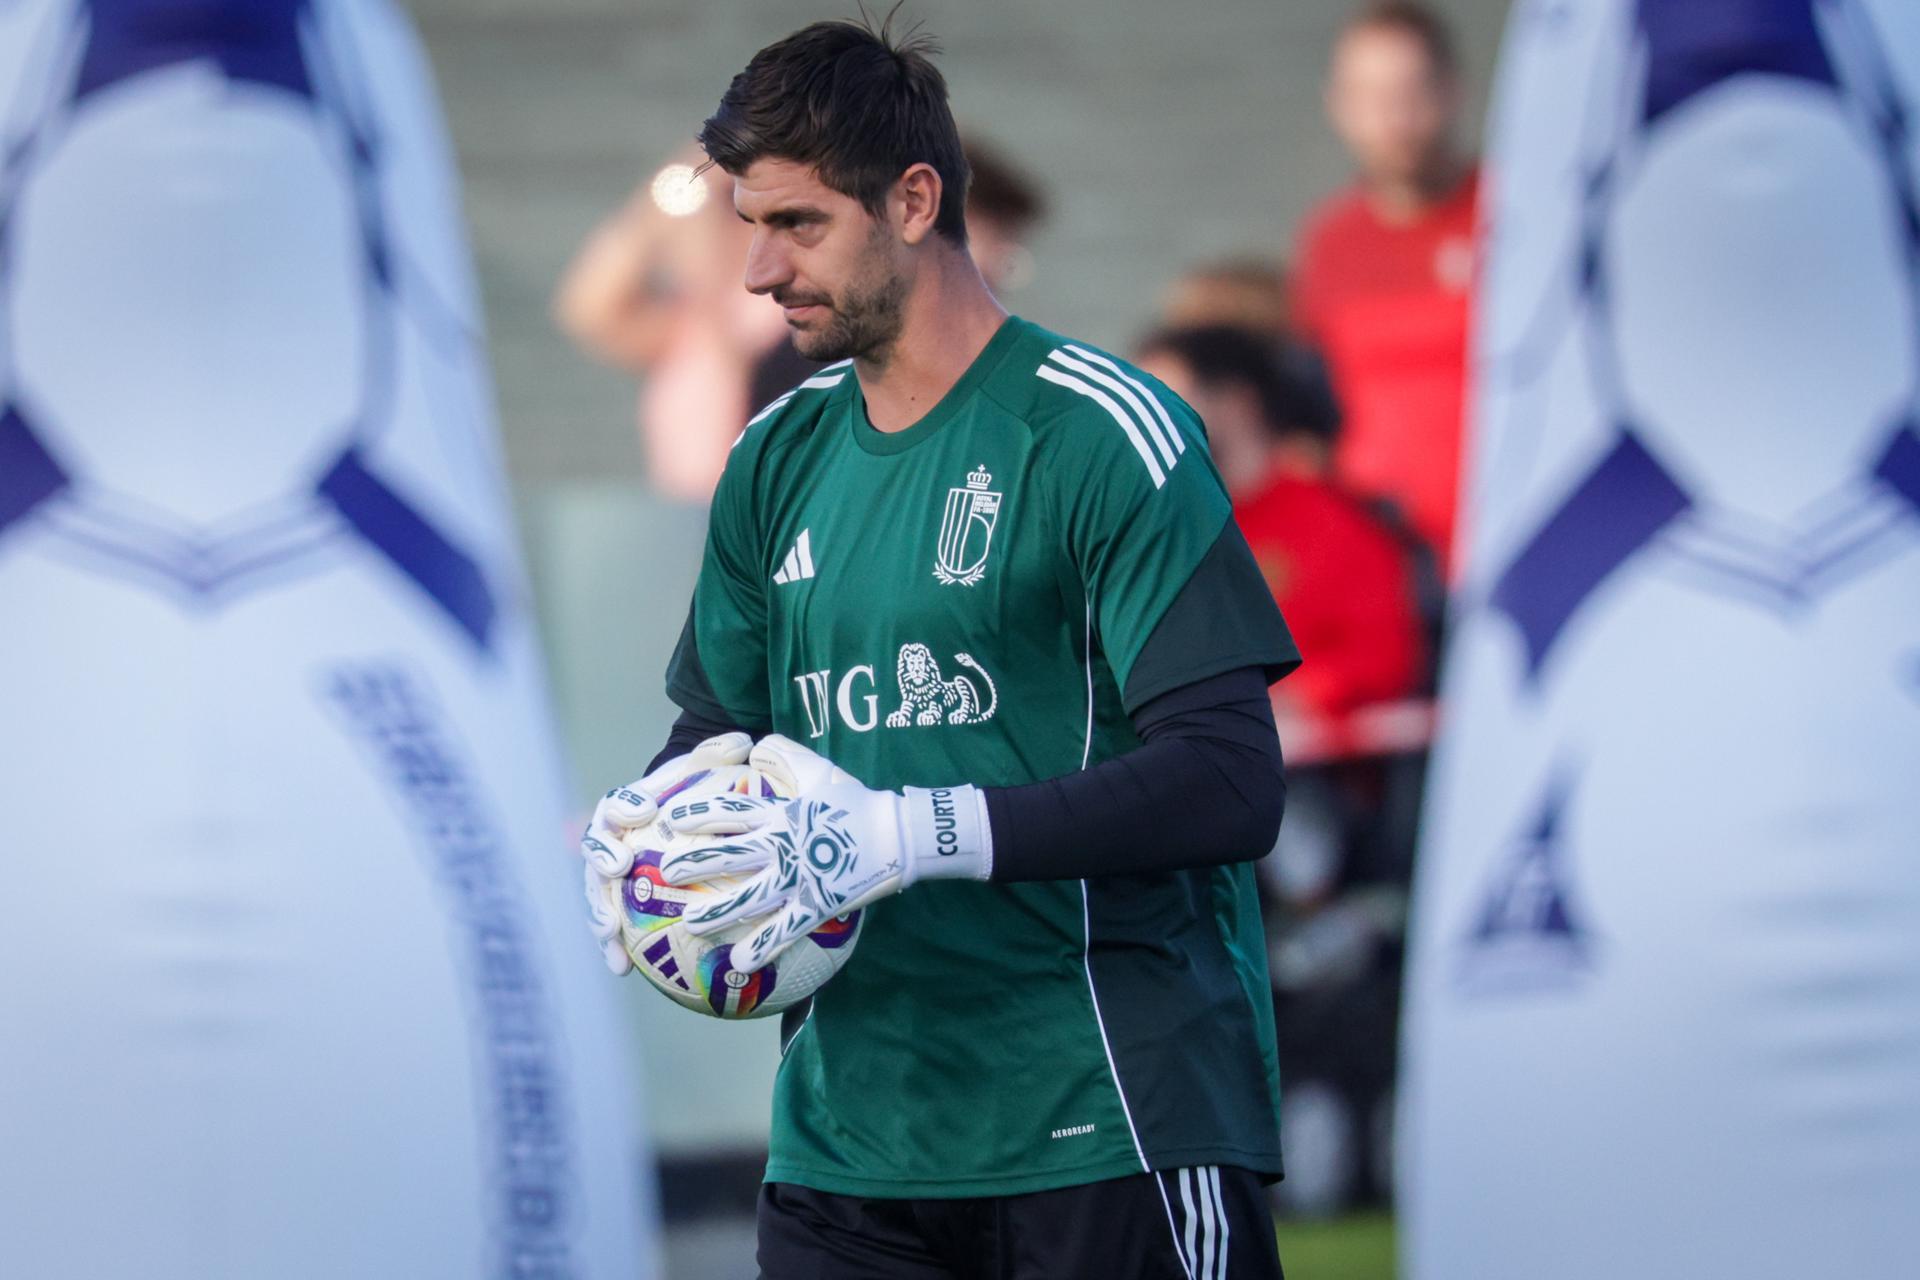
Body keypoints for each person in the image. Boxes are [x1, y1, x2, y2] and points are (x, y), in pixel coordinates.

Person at [576, 18, 1298, 1279]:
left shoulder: (1102, 433)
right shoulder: (774, 457)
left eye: (798, 225)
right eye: (750, 226)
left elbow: (1233, 779)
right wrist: (651, 835)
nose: (759, 269)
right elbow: (718, 730)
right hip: (848, 1147)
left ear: (914, 201)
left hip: (1104, 1117)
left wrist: (914, 832)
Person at [1134, 325, 1425, 732]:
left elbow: (1382, 656)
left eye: (1165, 398)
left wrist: (1294, 696)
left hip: (1295, 758)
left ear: (1238, 402)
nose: (1144, 421)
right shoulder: (1151, 530)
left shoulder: (1329, 522)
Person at [1291, 1, 1479, 574]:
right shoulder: (1329, 241)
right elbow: (1310, 414)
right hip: (1382, 562)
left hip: (1500, 542)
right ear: (1338, 106)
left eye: (1411, 92)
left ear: (1452, 91)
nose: (1395, 119)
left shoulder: (1515, 218)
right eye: (1371, 98)